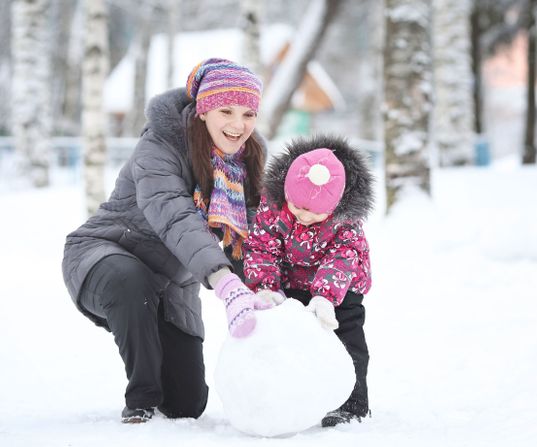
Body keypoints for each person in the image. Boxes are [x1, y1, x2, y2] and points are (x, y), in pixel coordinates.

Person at [62, 58, 281, 424]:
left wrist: (266, 288)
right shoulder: (160, 146)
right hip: (106, 254)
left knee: (186, 405)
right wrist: (225, 283)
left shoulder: (248, 161)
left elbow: (255, 236)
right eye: (226, 110)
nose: (238, 125)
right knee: (132, 281)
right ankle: (141, 399)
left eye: (248, 114)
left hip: (173, 281)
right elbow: (174, 214)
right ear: (202, 112)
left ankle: (161, 377)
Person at [243, 134, 375, 427]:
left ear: (335, 207)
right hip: (291, 282)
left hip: (342, 287)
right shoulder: (273, 206)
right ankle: (292, 397)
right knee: (292, 340)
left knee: (346, 337)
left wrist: (326, 296)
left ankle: (353, 404)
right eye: (297, 207)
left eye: (315, 213)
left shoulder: (345, 221)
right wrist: (266, 287)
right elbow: (261, 246)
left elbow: (343, 257)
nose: (303, 216)